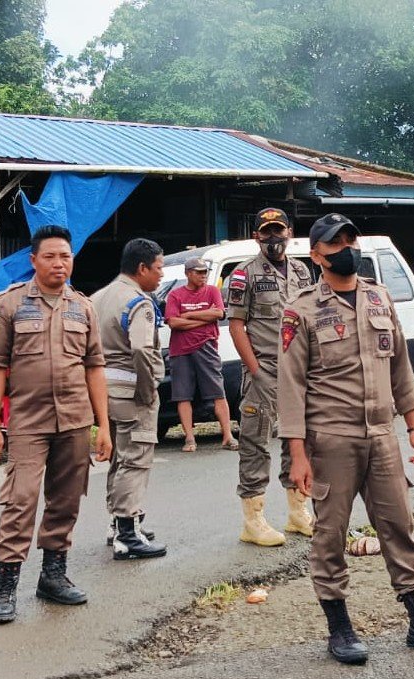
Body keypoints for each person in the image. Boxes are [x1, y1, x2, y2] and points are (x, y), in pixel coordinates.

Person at [279, 212, 414, 665]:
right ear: (316, 254)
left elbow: (400, 370)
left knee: (399, 526)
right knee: (330, 533)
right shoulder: (302, 309)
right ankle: (340, 628)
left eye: (351, 239)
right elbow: (290, 386)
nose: (347, 248)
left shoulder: (378, 297)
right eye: (335, 243)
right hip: (330, 438)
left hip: (381, 435)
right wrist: (297, 454)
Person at [0, 225, 113, 623]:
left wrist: (102, 425)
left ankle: (53, 576)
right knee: (20, 500)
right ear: (34, 261)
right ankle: (5, 585)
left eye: (66, 256)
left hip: (75, 420)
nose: (59, 263)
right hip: (27, 421)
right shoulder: (10, 304)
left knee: (66, 500)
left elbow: (94, 367)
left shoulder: (83, 307)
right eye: (51, 256)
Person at [227, 208, 315, 546]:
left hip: (299, 372)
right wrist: (256, 371)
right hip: (264, 370)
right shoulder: (243, 274)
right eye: (266, 232)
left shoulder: (302, 271)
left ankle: (298, 513)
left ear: (289, 232)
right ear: (256, 236)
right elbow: (237, 325)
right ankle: (254, 520)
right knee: (255, 444)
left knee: (299, 441)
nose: (273, 237)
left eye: (278, 230)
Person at [91, 238, 169, 560]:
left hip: (103, 393)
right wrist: (150, 388)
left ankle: (120, 523)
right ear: (142, 268)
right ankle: (128, 536)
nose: (161, 276)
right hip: (132, 392)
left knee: (119, 460)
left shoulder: (98, 298)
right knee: (135, 460)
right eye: (159, 268)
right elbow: (140, 348)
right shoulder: (139, 302)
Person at [165, 256, 238, 452]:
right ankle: (189, 438)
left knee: (217, 391)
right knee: (183, 395)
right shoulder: (175, 295)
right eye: (198, 272)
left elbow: (219, 313)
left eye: (205, 272)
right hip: (180, 350)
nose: (203, 276)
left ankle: (228, 435)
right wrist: (204, 318)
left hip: (206, 347)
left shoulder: (212, 291)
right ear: (188, 273)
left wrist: (188, 315)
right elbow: (173, 322)